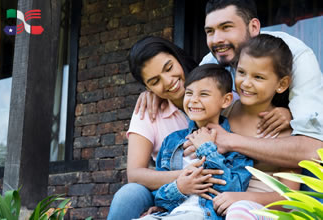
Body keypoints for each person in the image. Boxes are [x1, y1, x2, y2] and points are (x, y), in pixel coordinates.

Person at [107, 36, 225, 220]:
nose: (168, 81)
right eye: (155, 82)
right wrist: (183, 179)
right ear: (147, 87)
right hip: (171, 191)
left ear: (177, 57)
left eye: (169, 68)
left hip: (218, 190)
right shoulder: (147, 111)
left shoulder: (215, 88)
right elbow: (135, 173)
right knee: (128, 195)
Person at [199, 0, 323, 169]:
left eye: (226, 27)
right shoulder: (212, 61)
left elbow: (314, 151)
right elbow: (192, 101)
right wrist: (157, 94)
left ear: (254, 27)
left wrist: (231, 140)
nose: (217, 39)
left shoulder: (297, 56)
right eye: (210, 31)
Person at [136, 64, 253, 220]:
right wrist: (180, 188)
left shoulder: (237, 146)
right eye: (189, 93)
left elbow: (233, 190)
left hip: (205, 215)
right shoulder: (172, 142)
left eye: (203, 94)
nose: (193, 100)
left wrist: (207, 149)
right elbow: (160, 198)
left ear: (226, 100)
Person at [212, 34, 300, 219]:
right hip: (214, 204)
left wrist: (241, 198)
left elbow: (289, 198)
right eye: (241, 72)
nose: (246, 83)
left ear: (282, 84)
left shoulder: (284, 129)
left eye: (258, 77)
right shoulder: (223, 110)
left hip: (261, 210)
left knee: (239, 212)